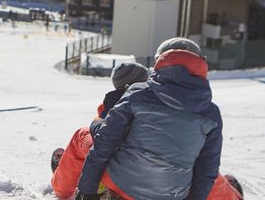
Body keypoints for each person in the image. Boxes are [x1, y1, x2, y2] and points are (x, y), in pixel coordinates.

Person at [75, 38, 224, 200]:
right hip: (171, 195)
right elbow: (207, 168)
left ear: (160, 60)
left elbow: (106, 140)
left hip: (122, 183)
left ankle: (62, 188)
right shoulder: (211, 113)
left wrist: (87, 190)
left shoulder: (138, 93)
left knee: (82, 136)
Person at [51, 63, 149, 199]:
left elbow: (104, 135)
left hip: (120, 166)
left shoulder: (117, 101)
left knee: (81, 136)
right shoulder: (158, 98)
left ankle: (62, 187)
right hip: (154, 170)